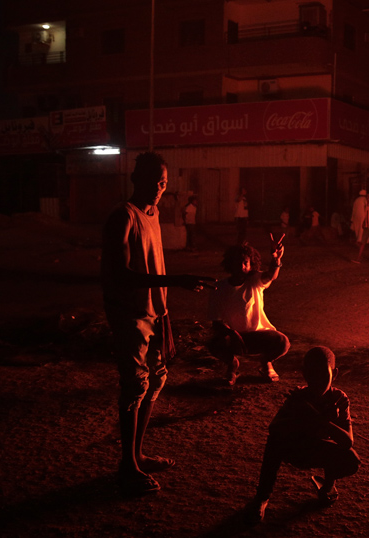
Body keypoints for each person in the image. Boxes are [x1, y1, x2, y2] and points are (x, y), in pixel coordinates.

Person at [101, 152, 215, 496]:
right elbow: (118, 274)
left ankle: (137, 455)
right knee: (134, 388)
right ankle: (127, 467)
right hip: (129, 316)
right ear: (136, 179)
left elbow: (155, 264)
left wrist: (165, 319)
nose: (157, 189)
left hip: (154, 315)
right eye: (152, 181)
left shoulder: (154, 215)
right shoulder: (123, 217)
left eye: (163, 183)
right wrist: (175, 279)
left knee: (156, 381)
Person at [244, 346, 360, 525]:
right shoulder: (298, 398)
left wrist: (322, 421)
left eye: (324, 375)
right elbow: (273, 429)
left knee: (350, 459)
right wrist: (299, 417)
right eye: (312, 375)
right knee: (274, 441)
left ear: (334, 374)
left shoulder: (338, 399)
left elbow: (347, 442)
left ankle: (328, 487)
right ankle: (262, 497)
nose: (318, 381)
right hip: (297, 450)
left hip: (319, 450)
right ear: (305, 374)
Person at [207, 239, 289, 384]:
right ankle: (232, 365)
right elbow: (216, 322)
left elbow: (271, 275)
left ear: (251, 265)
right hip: (234, 338)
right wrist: (231, 333)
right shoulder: (219, 288)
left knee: (282, 342)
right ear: (229, 263)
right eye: (237, 262)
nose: (241, 266)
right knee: (213, 343)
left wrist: (276, 259)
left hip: (259, 335)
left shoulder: (255, 281)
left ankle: (266, 363)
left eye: (245, 262)